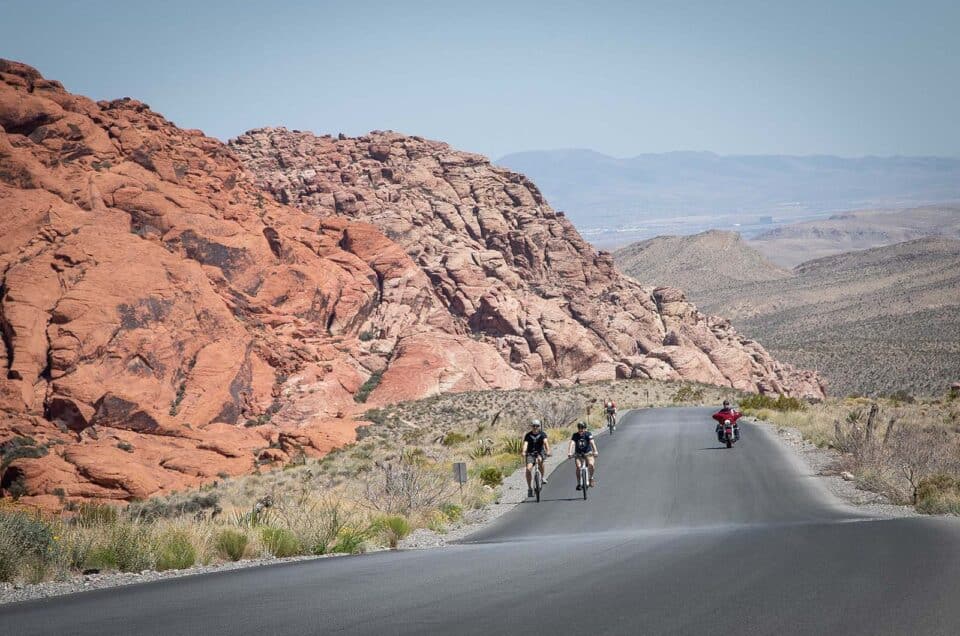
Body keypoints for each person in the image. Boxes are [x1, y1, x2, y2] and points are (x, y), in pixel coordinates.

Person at [521, 420, 551, 497]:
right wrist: (524, 451)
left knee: (540, 461)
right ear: (531, 426)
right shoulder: (528, 435)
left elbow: (546, 443)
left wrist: (548, 450)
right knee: (528, 469)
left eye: (537, 426)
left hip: (540, 452)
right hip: (530, 453)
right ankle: (530, 488)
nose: (535, 427)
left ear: (539, 427)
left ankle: (542, 477)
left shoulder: (542, 434)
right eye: (533, 426)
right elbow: (525, 444)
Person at [568, 421, 599, 490]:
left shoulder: (588, 434)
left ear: (585, 428)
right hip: (578, 454)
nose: (581, 429)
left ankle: (591, 478)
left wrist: (595, 451)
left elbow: (592, 442)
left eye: (582, 428)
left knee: (591, 464)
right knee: (578, 467)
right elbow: (572, 443)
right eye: (579, 428)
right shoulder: (575, 435)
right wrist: (569, 452)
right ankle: (579, 483)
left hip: (588, 453)